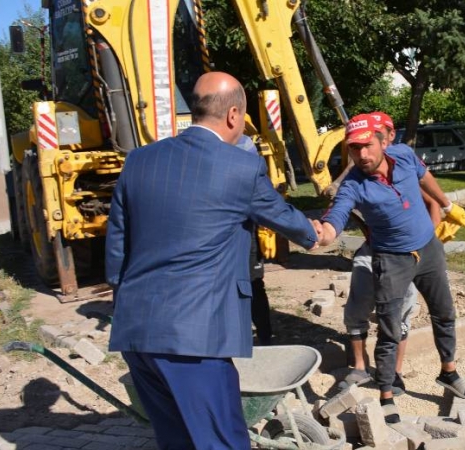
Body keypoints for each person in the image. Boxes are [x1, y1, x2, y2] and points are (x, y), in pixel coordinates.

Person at [106, 72, 321, 449]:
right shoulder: (240, 167)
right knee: (222, 442)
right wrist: (318, 232)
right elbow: (286, 220)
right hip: (197, 339)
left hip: (137, 333)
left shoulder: (138, 160)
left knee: (176, 441)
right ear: (234, 115)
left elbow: (116, 255)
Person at [319, 113, 465, 423]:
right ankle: (387, 394)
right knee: (389, 330)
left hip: (428, 249)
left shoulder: (403, 154)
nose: (362, 154)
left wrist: (446, 205)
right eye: (354, 148)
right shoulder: (353, 185)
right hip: (391, 260)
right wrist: (325, 231)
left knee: (444, 313)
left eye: (367, 145)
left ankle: (448, 371)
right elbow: (338, 213)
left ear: (382, 142)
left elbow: (424, 176)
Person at [340, 112, 449, 395]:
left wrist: (427, 236)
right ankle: (360, 366)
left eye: (387, 131)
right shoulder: (357, 174)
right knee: (358, 306)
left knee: (401, 311)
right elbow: (343, 206)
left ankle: (395, 373)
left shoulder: (403, 164)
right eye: (356, 147)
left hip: (407, 255)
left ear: (388, 137)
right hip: (374, 251)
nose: (364, 151)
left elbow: (432, 201)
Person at [237, 135, 273, 346]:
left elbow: (268, 203)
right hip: (233, 234)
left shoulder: (244, 144)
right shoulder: (230, 147)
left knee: (253, 285)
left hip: (248, 231)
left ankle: (264, 336)